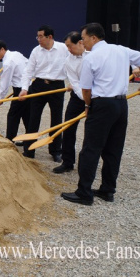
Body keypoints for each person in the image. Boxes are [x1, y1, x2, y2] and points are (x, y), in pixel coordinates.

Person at [61, 23, 140, 205]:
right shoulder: (121, 50)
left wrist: (88, 105)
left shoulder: (91, 58)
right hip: (121, 105)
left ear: (93, 38)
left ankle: (84, 193)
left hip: (102, 104)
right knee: (113, 149)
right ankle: (108, 190)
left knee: (91, 149)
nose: (82, 42)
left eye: (84, 38)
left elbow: (86, 89)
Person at [19, 25, 68, 161]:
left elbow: (75, 61)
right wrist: (24, 89)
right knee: (33, 117)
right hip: (39, 85)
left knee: (56, 119)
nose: (38, 39)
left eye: (41, 36)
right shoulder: (36, 51)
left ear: (50, 37)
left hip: (57, 86)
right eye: (38, 36)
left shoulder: (63, 48)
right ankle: (29, 149)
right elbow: (28, 71)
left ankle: (55, 151)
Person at [53, 31, 87, 174]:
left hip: (97, 97)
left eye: (70, 46)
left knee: (91, 132)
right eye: (66, 46)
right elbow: (75, 82)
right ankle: (67, 162)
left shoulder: (94, 55)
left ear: (80, 43)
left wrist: (135, 67)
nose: (68, 49)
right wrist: (85, 99)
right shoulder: (68, 60)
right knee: (68, 127)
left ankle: (87, 164)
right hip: (78, 97)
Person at [0, 40, 30, 142]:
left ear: (2, 49)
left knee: (13, 115)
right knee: (26, 115)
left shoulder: (8, 62)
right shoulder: (16, 53)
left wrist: (1, 99)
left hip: (20, 90)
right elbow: (28, 64)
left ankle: (10, 139)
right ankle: (29, 141)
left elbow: (5, 82)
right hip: (29, 87)